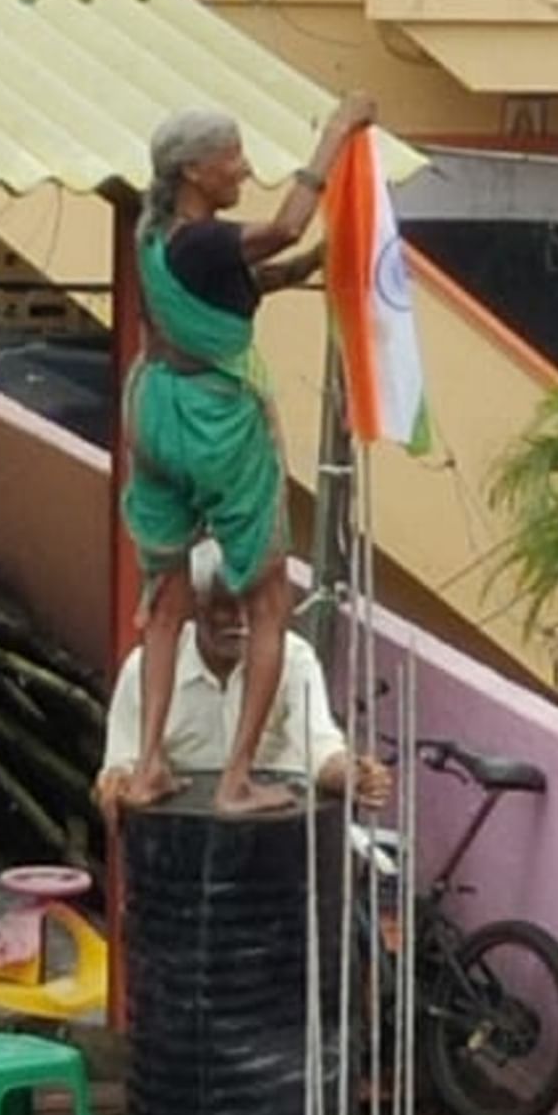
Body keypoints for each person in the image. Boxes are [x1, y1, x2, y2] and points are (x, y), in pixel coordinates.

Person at [122, 91, 377, 815]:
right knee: (269, 600)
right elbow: (283, 225)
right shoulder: (203, 237)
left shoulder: (158, 237)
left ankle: (147, 769)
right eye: (232, 158)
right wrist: (335, 134)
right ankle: (236, 779)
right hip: (214, 419)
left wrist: (313, 265)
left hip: (154, 410)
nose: (243, 168)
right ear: (196, 171)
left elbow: (242, 282)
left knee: (167, 602)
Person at [97, 541, 390, 815]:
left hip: (272, 833)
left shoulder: (294, 659)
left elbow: (320, 746)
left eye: (253, 608)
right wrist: (117, 783)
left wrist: (353, 777)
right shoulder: (144, 670)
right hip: (181, 840)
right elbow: (122, 764)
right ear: (197, 606)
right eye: (226, 606)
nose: (241, 620)